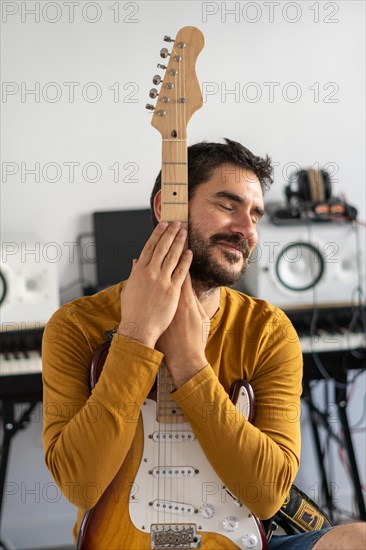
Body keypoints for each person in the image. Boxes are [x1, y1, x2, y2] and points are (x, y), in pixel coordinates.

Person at [42, 139, 365, 549]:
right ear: (167, 208)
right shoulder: (75, 326)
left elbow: (267, 496)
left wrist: (191, 363)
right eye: (228, 206)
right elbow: (79, 484)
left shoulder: (268, 330)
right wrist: (137, 335)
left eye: (255, 215)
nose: (247, 230)